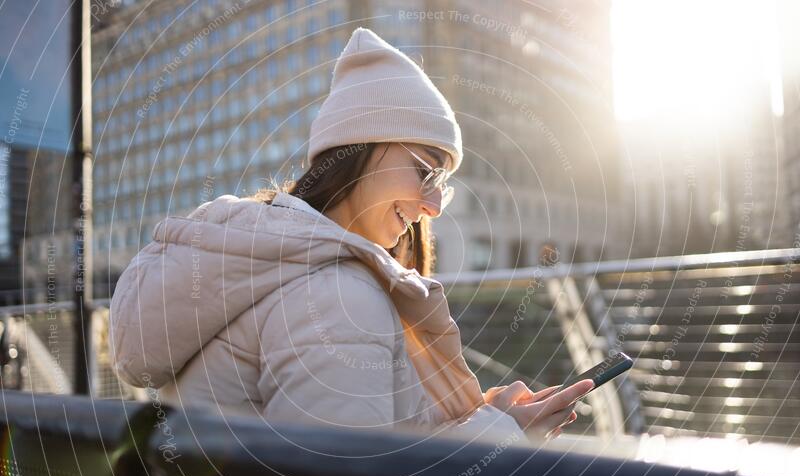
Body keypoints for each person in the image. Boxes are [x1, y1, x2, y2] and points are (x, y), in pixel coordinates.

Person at [109, 27, 593, 445]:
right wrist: (503, 435)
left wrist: (489, 415)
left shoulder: (262, 261)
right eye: (425, 171)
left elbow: (358, 458)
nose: (432, 207)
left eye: (442, 185)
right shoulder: (337, 296)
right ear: (359, 152)